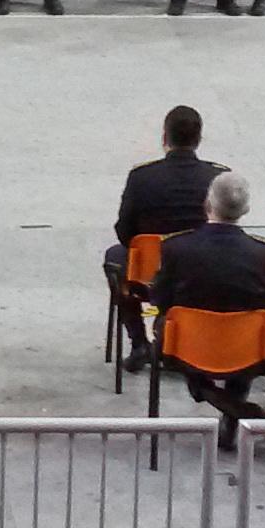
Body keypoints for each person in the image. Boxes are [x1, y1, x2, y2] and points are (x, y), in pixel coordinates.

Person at [146, 171, 265, 444]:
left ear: (207, 204)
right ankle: (233, 408)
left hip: (187, 345)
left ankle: (214, 396)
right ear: (246, 209)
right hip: (245, 348)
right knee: (252, 336)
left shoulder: (176, 248)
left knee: (166, 332)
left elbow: (159, 299)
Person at [108, 106, 224, 369]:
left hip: (148, 275)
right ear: (199, 139)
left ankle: (139, 342)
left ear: (165, 137)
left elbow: (124, 231)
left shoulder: (142, 177)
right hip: (199, 274)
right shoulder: (217, 177)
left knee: (115, 257)